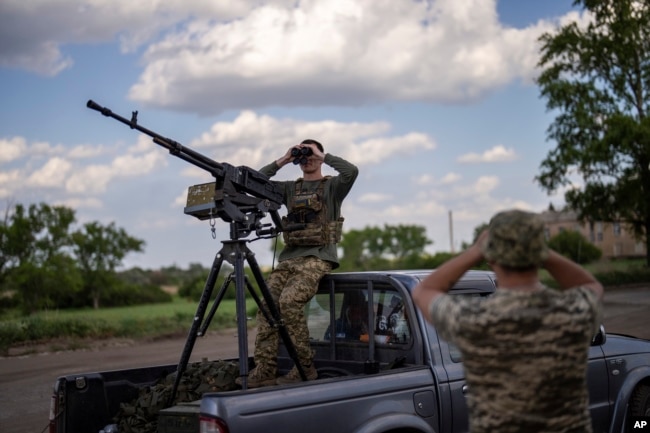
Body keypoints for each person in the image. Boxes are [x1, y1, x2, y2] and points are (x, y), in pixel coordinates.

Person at [412, 209, 603, 433]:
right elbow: (592, 286)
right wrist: (540, 250)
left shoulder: (474, 318)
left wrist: (476, 250)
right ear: (538, 253)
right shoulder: (571, 311)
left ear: (491, 257)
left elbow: (424, 289)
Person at [241, 138, 358, 388]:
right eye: (303, 156)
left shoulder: (332, 187)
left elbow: (352, 171)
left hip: (317, 257)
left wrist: (321, 155)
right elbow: (255, 184)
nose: (307, 160)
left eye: (311, 155)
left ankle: (304, 366)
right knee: (267, 306)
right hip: (289, 258)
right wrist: (283, 159)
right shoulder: (290, 189)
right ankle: (265, 369)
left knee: (289, 302)